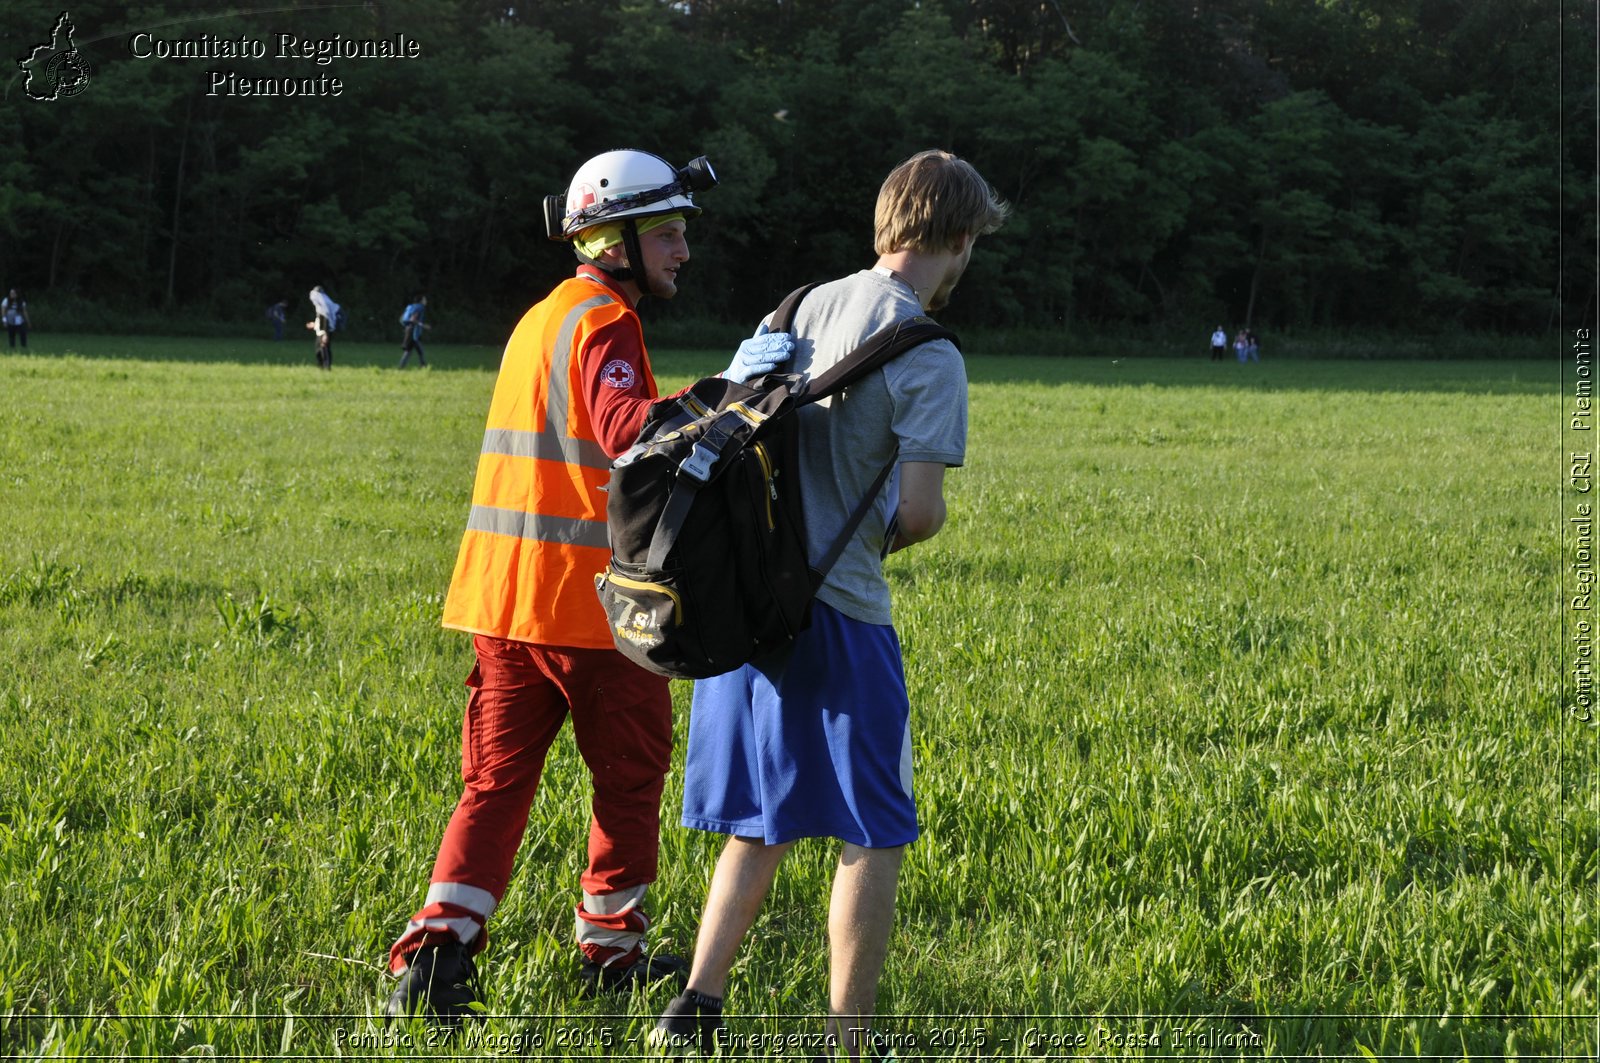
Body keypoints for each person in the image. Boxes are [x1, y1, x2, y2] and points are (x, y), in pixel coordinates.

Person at [383, 149, 794, 1024]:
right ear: (614, 240)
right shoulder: (606, 322)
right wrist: (736, 388)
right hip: (594, 612)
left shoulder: (544, 317)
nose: (685, 251)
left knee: (493, 784)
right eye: (671, 234)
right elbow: (628, 434)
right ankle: (611, 952)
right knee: (630, 778)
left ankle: (435, 960)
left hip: (505, 603)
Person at [652, 149, 1008, 1060]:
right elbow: (921, 511)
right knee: (871, 829)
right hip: (842, 614)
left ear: (888, 221)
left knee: (762, 821)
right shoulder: (928, 350)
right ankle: (848, 1043)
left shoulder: (794, 306)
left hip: (745, 611)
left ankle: (693, 1006)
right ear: (961, 238)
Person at [307, 286, 338, 370]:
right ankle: (321, 366)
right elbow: (321, 319)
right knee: (318, 349)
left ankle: (327, 367)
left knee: (324, 348)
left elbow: (326, 320)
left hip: (325, 332)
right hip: (321, 331)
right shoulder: (320, 306)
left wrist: (325, 334)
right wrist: (314, 324)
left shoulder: (325, 306)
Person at [398, 294, 430, 368]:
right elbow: (413, 319)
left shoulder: (410, 307)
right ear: (421, 301)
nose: (426, 301)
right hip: (414, 333)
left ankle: (401, 367)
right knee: (419, 350)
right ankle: (423, 366)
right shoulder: (420, 307)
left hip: (408, 331)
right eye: (425, 299)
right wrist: (423, 325)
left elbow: (401, 319)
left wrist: (407, 326)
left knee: (409, 351)